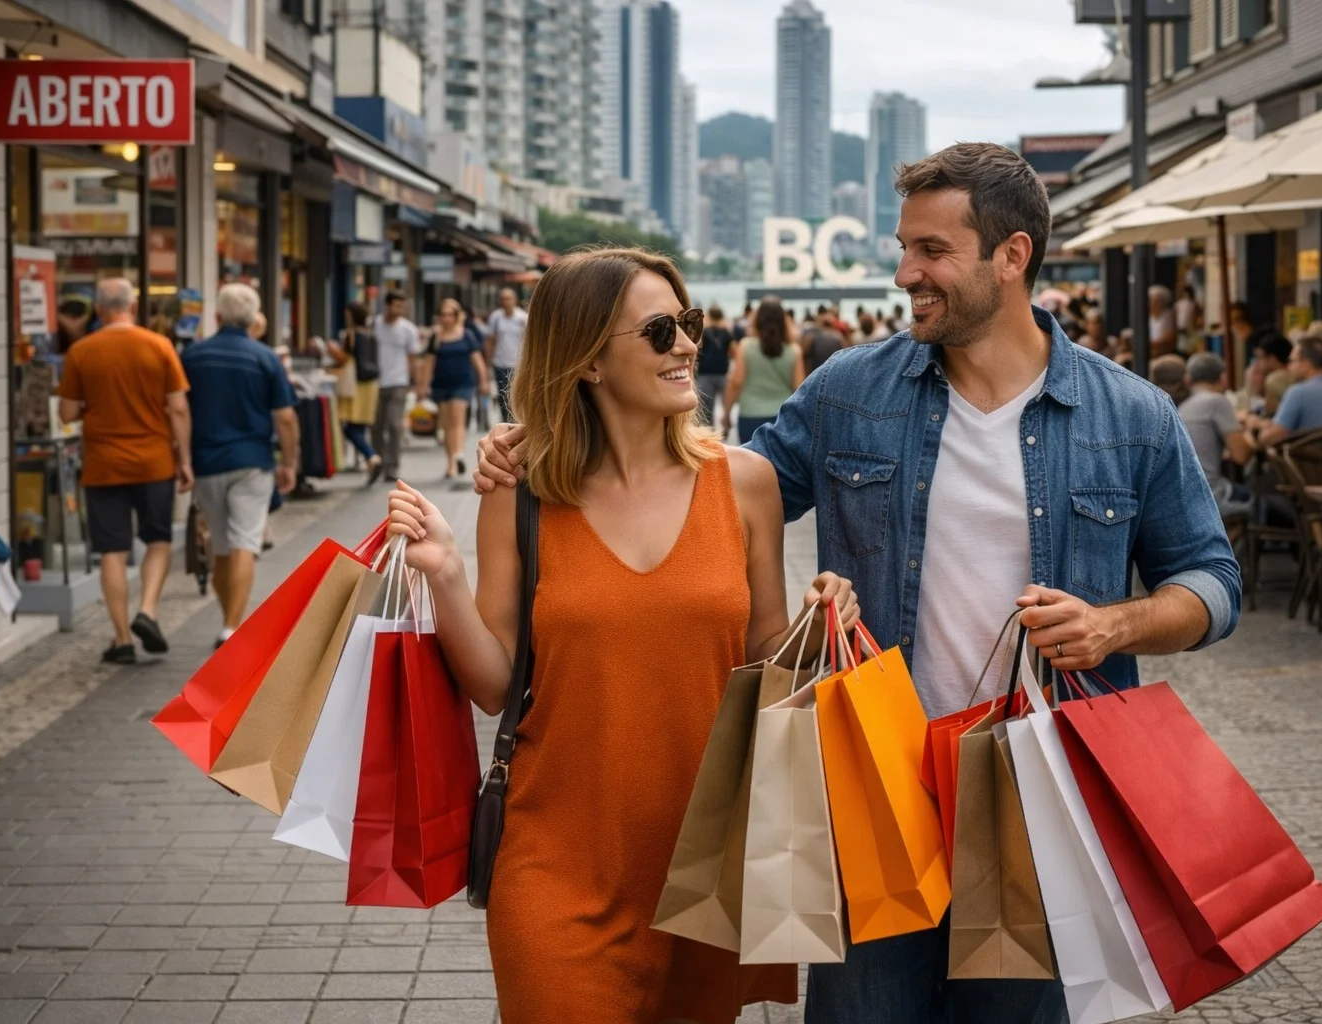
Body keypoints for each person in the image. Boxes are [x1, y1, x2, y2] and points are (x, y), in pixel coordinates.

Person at [476, 142, 1242, 1024]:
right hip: (873, 801)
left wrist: (1117, 626)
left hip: (1037, 809)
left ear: (1012, 256)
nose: (903, 271)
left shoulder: (1131, 415)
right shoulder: (851, 393)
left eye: (930, 251)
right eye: (903, 246)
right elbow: (702, 494)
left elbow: (1213, 583)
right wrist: (540, 439)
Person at [386, 247, 860, 1023]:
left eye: (691, 323)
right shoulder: (523, 493)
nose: (686, 345)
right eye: (660, 329)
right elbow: (494, 685)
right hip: (554, 863)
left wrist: (822, 624)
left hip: (704, 868)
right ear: (589, 361)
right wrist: (442, 572)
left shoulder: (744, 483)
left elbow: (765, 663)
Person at [57, 278, 193, 665]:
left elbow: (66, 413)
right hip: (154, 462)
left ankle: (121, 641)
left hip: (103, 465)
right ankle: (147, 611)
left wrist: (94, 409)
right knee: (158, 540)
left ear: (99, 311)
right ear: (132, 307)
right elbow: (178, 408)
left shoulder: (82, 351)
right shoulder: (159, 346)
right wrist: (184, 460)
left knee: (112, 552)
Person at [182, 284, 300, 648]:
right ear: (253, 319)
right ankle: (232, 626)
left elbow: (179, 411)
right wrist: (290, 463)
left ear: (216, 317)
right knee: (244, 544)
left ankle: (227, 619)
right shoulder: (265, 358)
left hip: (207, 463)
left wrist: (182, 459)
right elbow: (285, 418)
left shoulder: (193, 356)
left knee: (220, 546)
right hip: (252, 462)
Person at [1248, 334, 1322, 448]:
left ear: (1306, 364)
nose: (1289, 367)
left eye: (1292, 360)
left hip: (1306, 466)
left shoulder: (1298, 393)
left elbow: (1270, 438)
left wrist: (1255, 427)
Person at [1179, 352, 1255, 521]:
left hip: (1183, 493)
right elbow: (1241, 455)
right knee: (1257, 501)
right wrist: (1251, 431)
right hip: (1210, 494)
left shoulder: (1185, 406)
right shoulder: (1217, 401)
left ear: (1188, 379)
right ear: (1222, 378)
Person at [418, 297, 489, 480]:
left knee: (457, 420)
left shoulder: (466, 335)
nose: (447, 318)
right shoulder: (436, 336)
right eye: (443, 314)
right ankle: (450, 463)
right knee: (446, 424)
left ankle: (458, 455)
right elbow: (428, 363)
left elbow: (477, 360)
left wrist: (483, 381)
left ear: (457, 316)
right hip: (441, 385)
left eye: (450, 314)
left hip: (463, 383)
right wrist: (423, 386)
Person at [723, 299, 805, 444]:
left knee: (750, 464)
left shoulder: (745, 346)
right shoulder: (794, 351)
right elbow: (799, 388)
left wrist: (727, 413)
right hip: (782, 419)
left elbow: (736, 382)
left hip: (750, 415)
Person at [327, 301, 382, 484]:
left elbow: (344, 358)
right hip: (371, 384)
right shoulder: (371, 334)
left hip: (355, 385)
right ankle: (369, 461)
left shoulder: (352, 334)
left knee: (350, 428)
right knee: (359, 426)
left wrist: (330, 349)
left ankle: (371, 457)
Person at [371, 291, 421, 476]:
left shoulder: (408, 329)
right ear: (387, 305)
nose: (400, 310)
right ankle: (378, 461)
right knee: (376, 425)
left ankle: (392, 465)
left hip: (398, 381)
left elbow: (413, 358)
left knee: (393, 423)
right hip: (375, 383)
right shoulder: (375, 325)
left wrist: (416, 383)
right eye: (397, 305)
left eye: (403, 306)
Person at [486, 287, 528, 424]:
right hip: (500, 362)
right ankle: (506, 421)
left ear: (514, 300)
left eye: (508, 298)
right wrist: (488, 361)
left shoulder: (523, 317)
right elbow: (490, 341)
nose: (506, 302)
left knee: (518, 395)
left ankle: (518, 421)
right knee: (503, 395)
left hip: (519, 364)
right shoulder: (496, 318)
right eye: (503, 299)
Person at [695, 305, 737, 426]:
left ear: (709, 316)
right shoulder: (727, 334)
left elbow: (697, 349)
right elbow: (734, 353)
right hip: (722, 373)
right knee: (726, 404)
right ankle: (726, 426)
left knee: (706, 408)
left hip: (705, 373)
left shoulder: (704, 332)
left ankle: (709, 433)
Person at [1247, 329, 1295, 417]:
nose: (1257, 364)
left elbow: (1268, 416)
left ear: (1272, 359)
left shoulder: (1275, 380)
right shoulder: (1292, 375)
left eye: (1260, 358)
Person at [801, 306, 845, 373]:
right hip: (832, 371)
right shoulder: (838, 337)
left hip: (815, 372)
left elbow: (805, 355)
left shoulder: (811, 336)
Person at [1148, 283, 1178, 356]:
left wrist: (1148, 344)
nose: (1149, 303)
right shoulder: (1149, 316)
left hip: (1163, 353)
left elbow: (1168, 338)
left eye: (1152, 300)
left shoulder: (1167, 316)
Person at [1174, 284, 1200, 352]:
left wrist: (1193, 327)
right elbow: (1175, 315)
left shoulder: (1193, 304)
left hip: (1189, 328)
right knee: (1181, 345)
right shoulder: (1179, 304)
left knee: (1189, 346)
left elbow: (1195, 316)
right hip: (1180, 327)